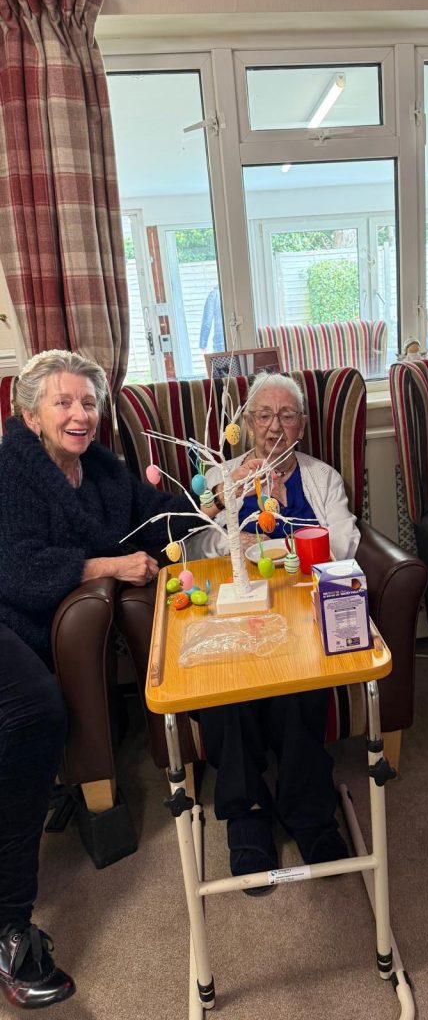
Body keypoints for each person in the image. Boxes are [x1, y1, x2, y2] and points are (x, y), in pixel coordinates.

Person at [0, 350, 191, 1010]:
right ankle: (10, 926)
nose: (80, 414)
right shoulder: (11, 472)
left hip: (37, 633)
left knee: (37, 716)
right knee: (32, 713)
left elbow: (159, 509)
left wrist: (207, 504)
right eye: (63, 402)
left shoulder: (104, 470)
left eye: (89, 402)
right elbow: (18, 571)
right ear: (29, 416)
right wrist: (104, 564)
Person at [189, 372, 360, 893]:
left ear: (303, 425)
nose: (274, 427)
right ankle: (247, 811)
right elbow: (197, 551)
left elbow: (344, 545)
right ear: (245, 424)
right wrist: (240, 502)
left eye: (287, 415)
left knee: (302, 678)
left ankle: (308, 808)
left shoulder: (321, 477)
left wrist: (285, 526)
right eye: (263, 415)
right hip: (234, 612)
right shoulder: (221, 480)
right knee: (224, 686)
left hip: (298, 610)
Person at [199, 286, 224, 353]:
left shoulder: (214, 295)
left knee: (220, 362)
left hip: (220, 343)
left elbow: (207, 322)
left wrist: (203, 345)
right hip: (234, 342)